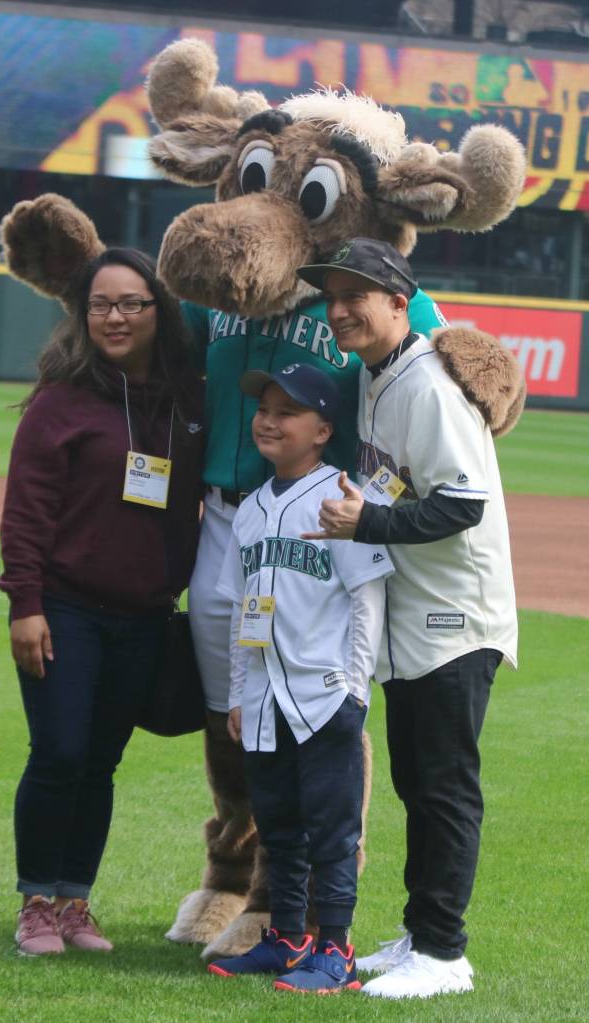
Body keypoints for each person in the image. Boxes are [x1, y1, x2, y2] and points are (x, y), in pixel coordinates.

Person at [296, 238, 518, 999]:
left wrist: (366, 526)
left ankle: (444, 953)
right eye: (329, 295)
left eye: (355, 293)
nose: (337, 308)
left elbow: (462, 502)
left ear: (399, 301)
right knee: (416, 782)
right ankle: (421, 933)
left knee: (443, 786)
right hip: (417, 617)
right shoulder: (377, 374)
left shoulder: (424, 385)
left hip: (455, 617)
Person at [0, 247, 203, 955]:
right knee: (58, 751)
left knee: (100, 763)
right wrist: (25, 604)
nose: (115, 317)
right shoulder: (61, 402)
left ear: (158, 311)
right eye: (100, 304)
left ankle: (75, 901)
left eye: (130, 303)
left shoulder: (186, 400)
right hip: (65, 608)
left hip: (143, 615)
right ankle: (35, 902)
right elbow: (25, 514)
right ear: (84, 315)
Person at [206, 364, 393, 993]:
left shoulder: (341, 499)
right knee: (280, 829)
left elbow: (367, 599)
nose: (269, 419)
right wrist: (236, 694)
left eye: (288, 411)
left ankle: (335, 952)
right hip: (262, 700)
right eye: (264, 407)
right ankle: (286, 939)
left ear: (323, 429)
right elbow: (239, 609)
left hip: (324, 694)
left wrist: (355, 687)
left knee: (333, 833)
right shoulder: (253, 509)